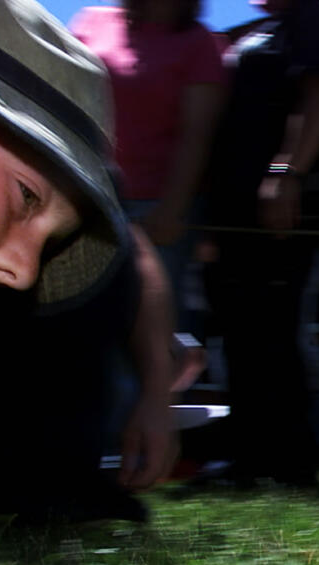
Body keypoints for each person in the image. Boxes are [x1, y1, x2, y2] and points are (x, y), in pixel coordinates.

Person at [0, 0, 175, 522]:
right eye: (27, 196)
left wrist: (156, 397)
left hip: (43, 341)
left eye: (52, 242)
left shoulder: (32, 283)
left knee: (33, 487)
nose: (24, 272)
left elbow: (134, 254)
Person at [207, 0, 319, 487]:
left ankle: (292, 462)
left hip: (281, 206)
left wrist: (286, 173)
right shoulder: (269, 29)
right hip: (240, 210)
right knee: (244, 330)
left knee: (276, 325)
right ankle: (250, 458)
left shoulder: (312, 19)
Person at [69, 0, 225, 331]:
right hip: (88, 202)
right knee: (80, 323)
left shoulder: (199, 43)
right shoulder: (93, 22)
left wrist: (173, 209)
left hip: (155, 210)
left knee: (151, 329)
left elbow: (197, 134)